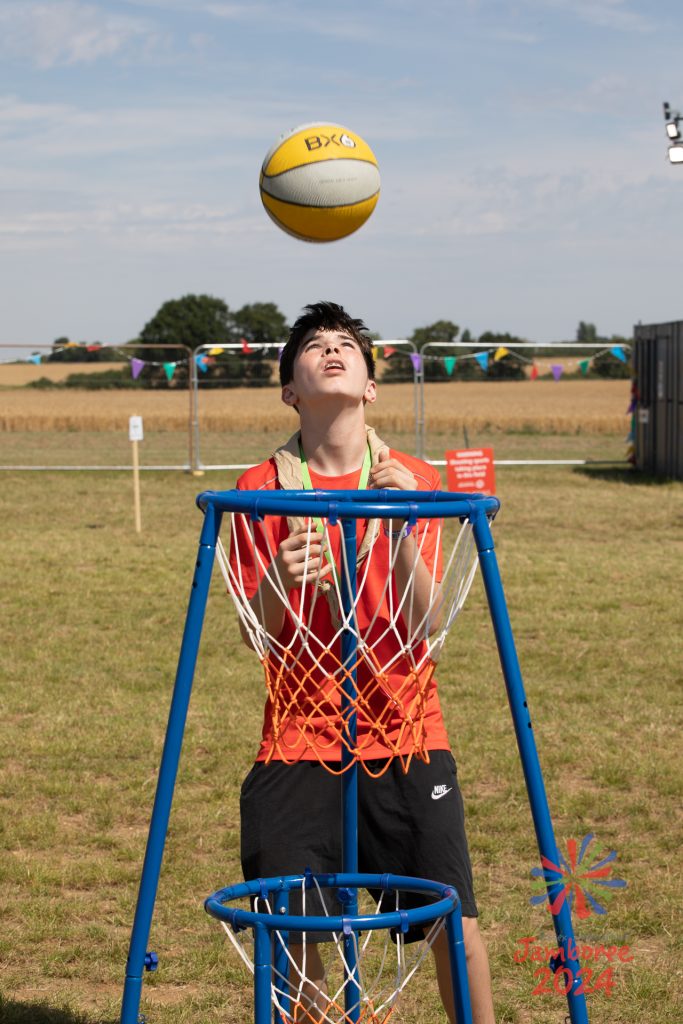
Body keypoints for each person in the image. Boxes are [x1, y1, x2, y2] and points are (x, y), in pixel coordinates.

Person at [229, 301, 495, 1024]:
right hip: (298, 734)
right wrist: (281, 575)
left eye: (345, 343)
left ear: (372, 386)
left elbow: (429, 620)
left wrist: (403, 527)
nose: (331, 350)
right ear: (289, 389)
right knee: (294, 931)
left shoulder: (414, 476)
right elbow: (260, 637)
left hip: (405, 729)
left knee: (453, 918)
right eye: (312, 347)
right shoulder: (258, 490)